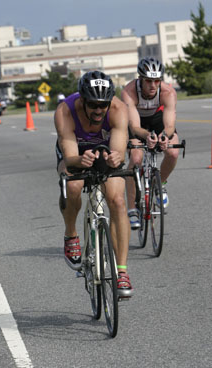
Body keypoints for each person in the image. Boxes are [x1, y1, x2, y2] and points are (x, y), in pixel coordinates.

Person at [54, 70, 133, 297]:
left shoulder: (118, 110)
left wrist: (116, 157)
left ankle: (122, 271)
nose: (99, 111)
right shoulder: (65, 111)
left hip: (105, 149)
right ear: (82, 100)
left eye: (103, 105)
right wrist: (80, 160)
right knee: (73, 186)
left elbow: (119, 149)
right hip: (75, 152)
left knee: (117, 200)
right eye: (93, 105)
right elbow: (69, 157)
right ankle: (71, 235)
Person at [121, 57, 179, 230]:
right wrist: (147, 136)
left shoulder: (168, 93)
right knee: (136, 158)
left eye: (156, 80)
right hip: (136, 123)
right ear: (140, 79)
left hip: (157, 120)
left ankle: (161, 183)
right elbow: (134, 126)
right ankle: (132, 208)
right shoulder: (129, 92)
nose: (153, 85)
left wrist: (163, 137)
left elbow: (169, 126)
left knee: (173, 152)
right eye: (148, 81)